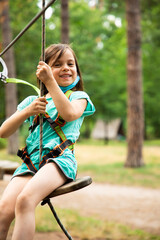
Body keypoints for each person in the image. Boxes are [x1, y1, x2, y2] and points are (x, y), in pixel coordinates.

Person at [0, 43, 95, 240]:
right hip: (31, 163)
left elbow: (69, 114)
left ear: (77, 70)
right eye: (58, 64)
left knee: (25, 201)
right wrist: (27, 111)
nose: (66, 68)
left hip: (59, 161)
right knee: (3, 210)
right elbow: (3, 132)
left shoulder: (78, 97)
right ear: (44, 70)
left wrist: (50, 82)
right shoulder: (33, 101)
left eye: (70, 64)